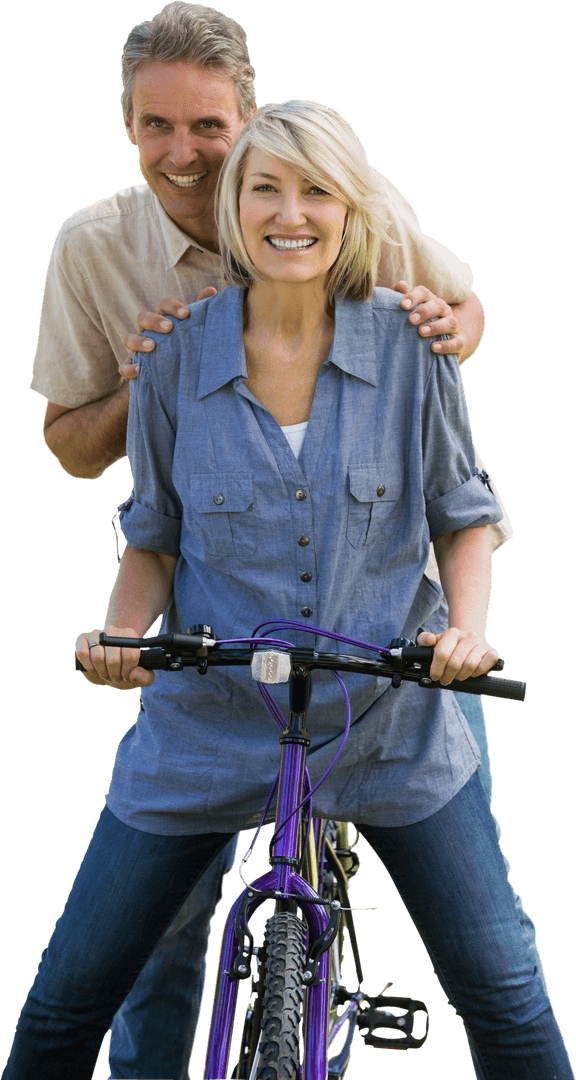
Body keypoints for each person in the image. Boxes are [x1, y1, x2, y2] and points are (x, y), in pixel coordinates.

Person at [6, 100, 571, 1080]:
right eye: (265, 187)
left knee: (509, 994)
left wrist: (469, 634)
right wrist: (123, 635)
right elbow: (153, 537)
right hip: (210, 721)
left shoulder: (410, 345)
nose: (290, 213)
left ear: (351, 210)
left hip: (389, 716)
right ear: (233, 210)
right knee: (62, 1003)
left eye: (316, 189)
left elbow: (463, 513)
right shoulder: (177, 353)